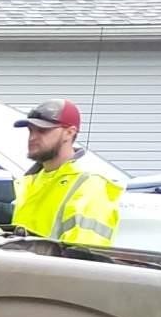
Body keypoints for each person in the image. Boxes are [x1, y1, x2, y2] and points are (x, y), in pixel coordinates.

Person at [9, 99, 122, 247]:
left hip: (55, 270)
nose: (33, 137)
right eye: (31, 130)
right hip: (25, 269)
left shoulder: (89, 186)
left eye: (43, 130)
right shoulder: (30, 182)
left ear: (69, 133)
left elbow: (84, 257)